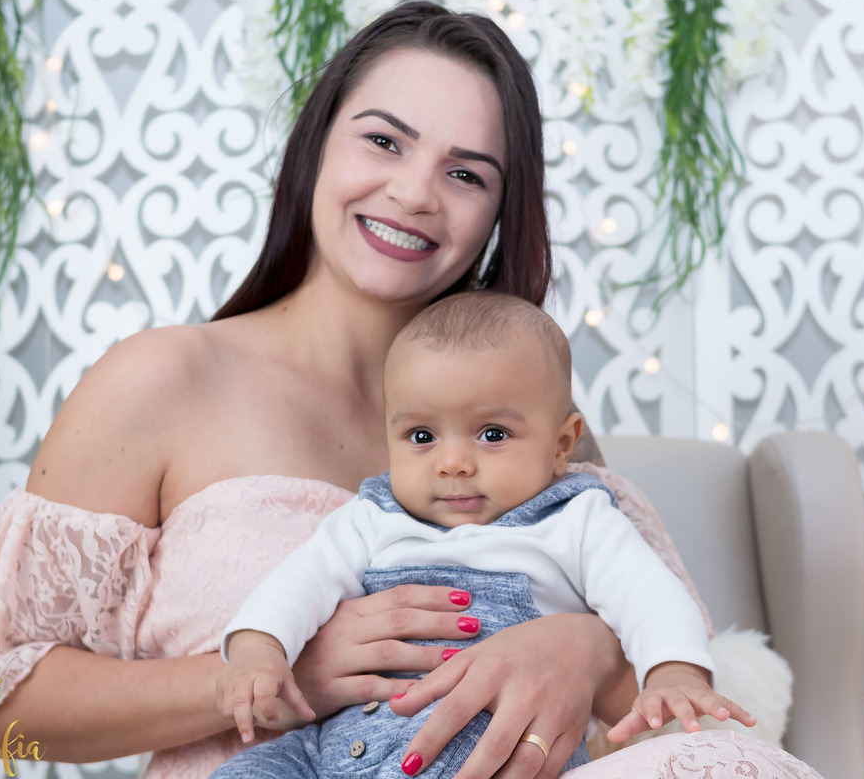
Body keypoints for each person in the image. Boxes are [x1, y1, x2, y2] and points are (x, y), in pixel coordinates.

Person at [0, 0, 823, 779]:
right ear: (316, 142)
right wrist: (267, 677)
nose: (413, 193)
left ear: (498, 214)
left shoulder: (522, 426)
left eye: (466, 172)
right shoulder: (160, 380)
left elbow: (667, 700)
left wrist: (583, 649)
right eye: (384, 140)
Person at [209, 291, 753, 779]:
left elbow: (650, 597)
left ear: (563, 444)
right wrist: (259, 652)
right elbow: (296, 586)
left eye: (492, 434)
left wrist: (673, 672)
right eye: (421, 435)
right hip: (331, 750)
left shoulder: (577, 519)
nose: (453, 463)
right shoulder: (372, 518)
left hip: (494, 752)